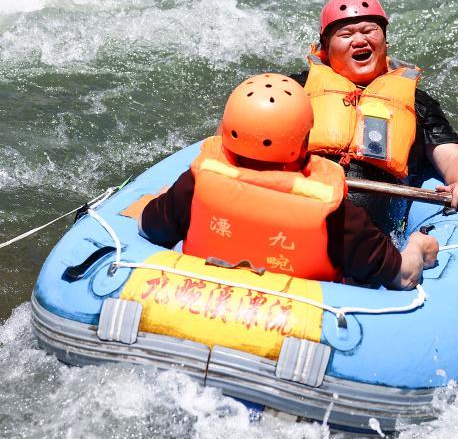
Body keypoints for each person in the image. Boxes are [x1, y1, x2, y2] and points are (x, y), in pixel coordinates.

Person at [138, 74, 439, 290]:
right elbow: (404, 277)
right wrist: (416, 246)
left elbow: (147, 227)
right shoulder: (333, 212)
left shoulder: (197, 183)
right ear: (306, 138)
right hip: (300, 322)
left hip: (196, 304)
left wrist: (165, 197)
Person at [289, 0, 458, 230]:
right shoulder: (296, 89)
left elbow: (451, 153)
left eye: (369, 30)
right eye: (346, 34)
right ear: (326, 47)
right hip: (303, 209)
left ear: (385, 41)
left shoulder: (416, 102)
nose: (359, 40)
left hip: (372, 232)